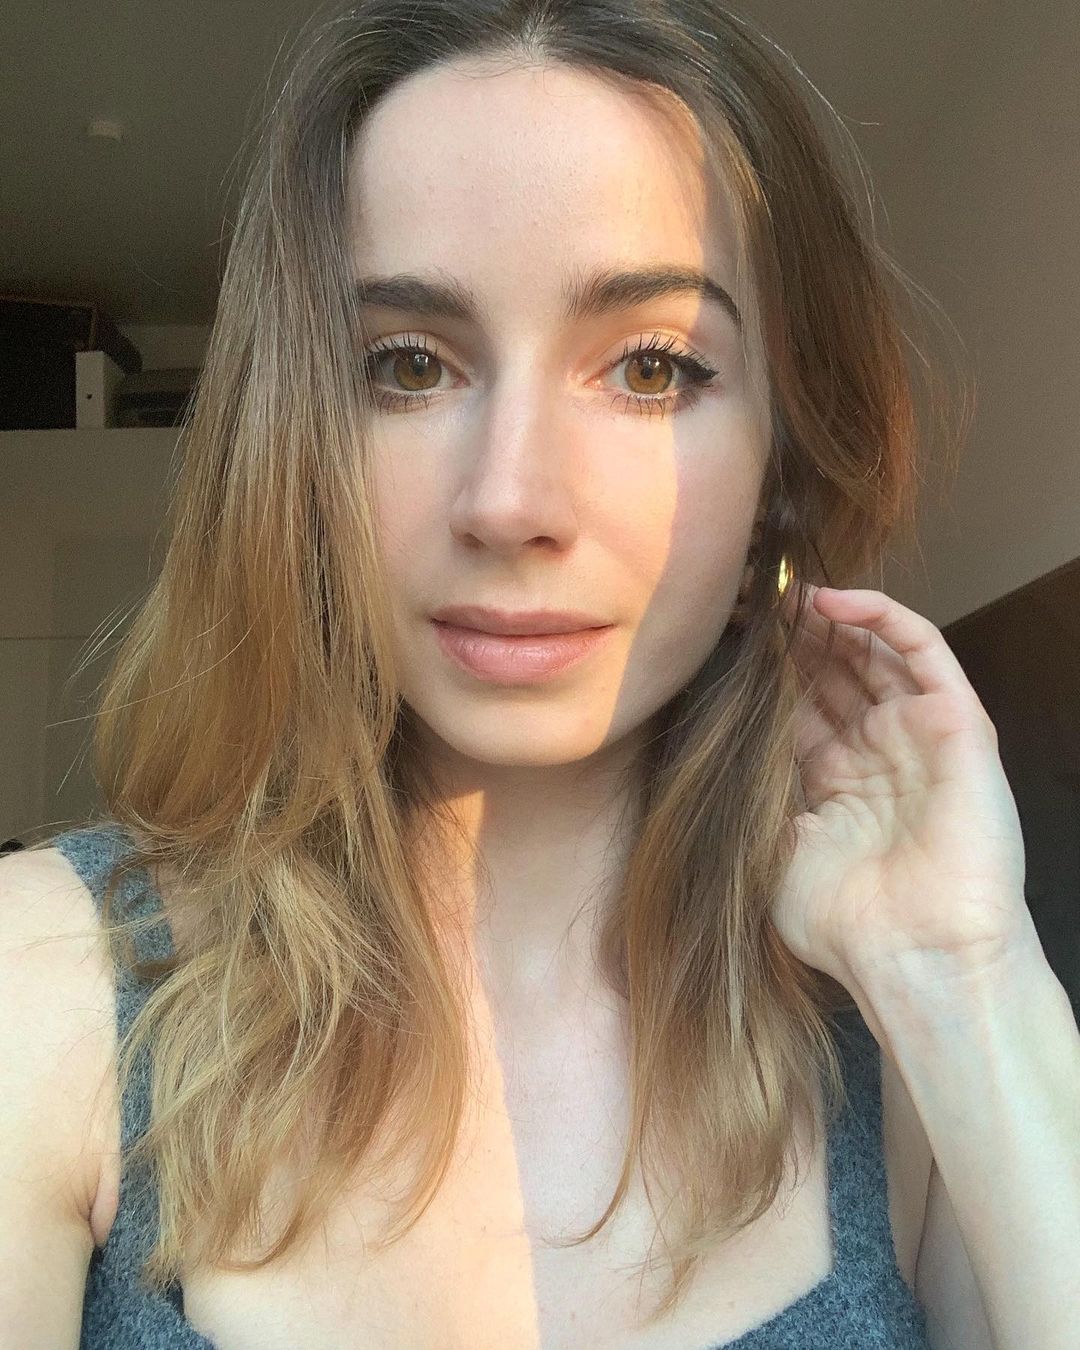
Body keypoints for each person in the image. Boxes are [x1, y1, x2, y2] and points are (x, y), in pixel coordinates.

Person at [6, 2, 1023, 1348]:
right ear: (297, 444)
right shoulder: (49, 981)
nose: (509, 500)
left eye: (652, 366)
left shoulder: (906, 1041)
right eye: (407, 366)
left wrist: (967, 978)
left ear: (779, 468)